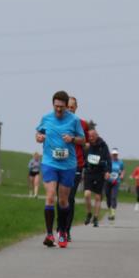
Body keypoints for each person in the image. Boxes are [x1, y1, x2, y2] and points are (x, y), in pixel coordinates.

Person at [35, 91, 86, 248]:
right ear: (53, 104)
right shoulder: (46, 118)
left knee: (63, 200)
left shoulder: (74, 120)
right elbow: (38, 133)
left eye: (62, 107)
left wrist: (72, 139)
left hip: (68, 165)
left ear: (66, 106)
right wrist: (39, 138)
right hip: (50, 162)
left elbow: (83, 140)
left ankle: (62, 231)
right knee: (50, 196)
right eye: (56, 106)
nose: (58, 109)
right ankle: (49, 235)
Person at [65, 96, 89, 241]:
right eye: (67, 107)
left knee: (70, 197)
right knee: (61, 198)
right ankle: (61, 227)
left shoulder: (83, 124)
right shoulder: (58, 122)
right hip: (61, 164)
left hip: (76, 164)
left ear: (76, 108)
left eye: (72, 107)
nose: (69, 109)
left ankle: (66, 230)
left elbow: (87, 143)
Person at [82, 123, 111, 228]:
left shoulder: (103, 145)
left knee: (98, 197)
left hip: (99, 172)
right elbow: (82, 157)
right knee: (87, 194)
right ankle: (89, 213)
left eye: (93, 136)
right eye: (89, 136)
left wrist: (108, 171)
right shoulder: (86, 145)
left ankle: (96, 218)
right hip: (89, 172)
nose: (91, 138)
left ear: (97, 135)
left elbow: (108, 159)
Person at [106, 148, 124, 221]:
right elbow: (105, 170)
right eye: (113, 154)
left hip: (116, 181)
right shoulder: (108, 161)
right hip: (108, 181)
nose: (114, 156)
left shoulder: (120, 162)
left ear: (117, 155)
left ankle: (113, 214)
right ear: (111, 154)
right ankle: (109, 211)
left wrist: (122, 175)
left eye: (116, 154)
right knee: (108, 197)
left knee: (113, 197)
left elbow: (122, 170)